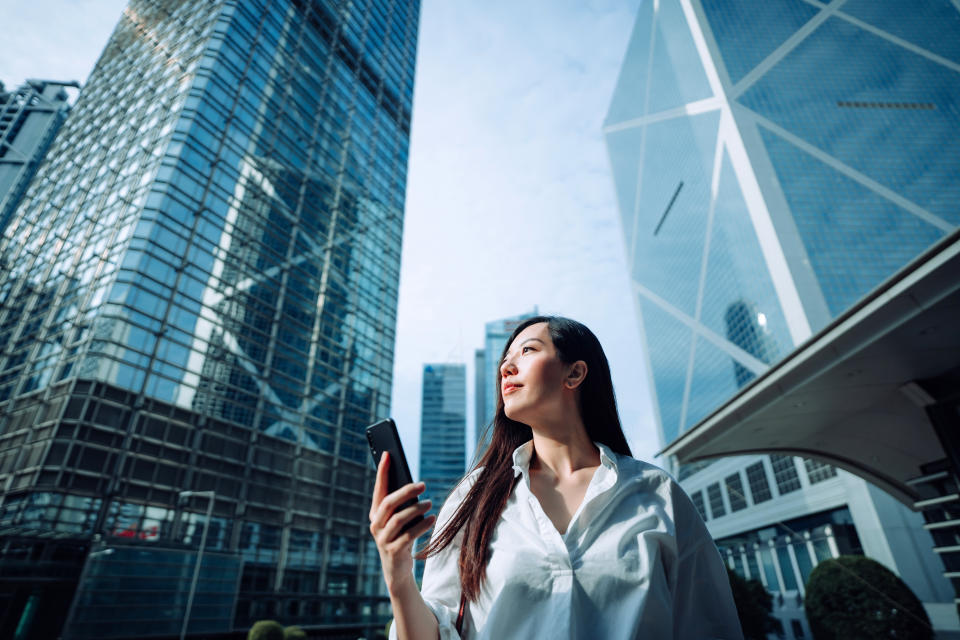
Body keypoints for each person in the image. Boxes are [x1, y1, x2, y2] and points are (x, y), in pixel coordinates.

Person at [369, 316, 743, 639]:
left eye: (527, 351)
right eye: (505, 359)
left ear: (575, 372)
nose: (506, 368)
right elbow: (435, 633)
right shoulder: (475, 495)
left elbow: (709, 628)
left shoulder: (656, 494)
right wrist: (398, 574)